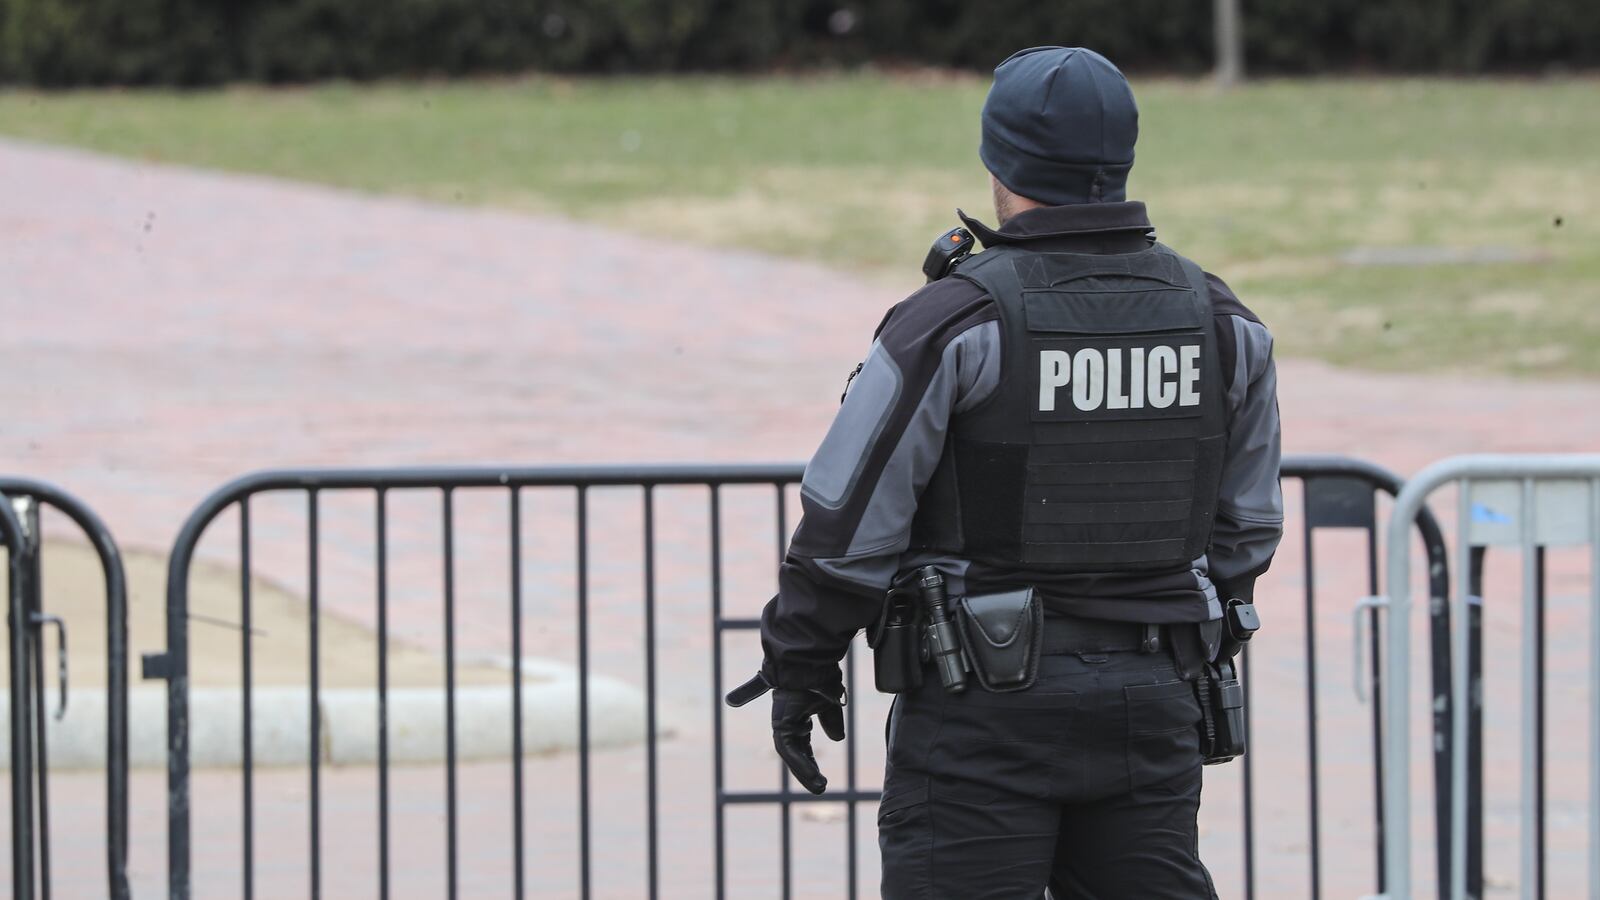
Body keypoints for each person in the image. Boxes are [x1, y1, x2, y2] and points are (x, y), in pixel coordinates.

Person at [727, 46, 1282, 898]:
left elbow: (850, 526)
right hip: (1153, 702)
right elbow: (1248, 529)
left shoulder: (954, 322)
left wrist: (801, 659)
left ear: (1000, 162)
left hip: (980, 710)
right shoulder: (1219, 321)